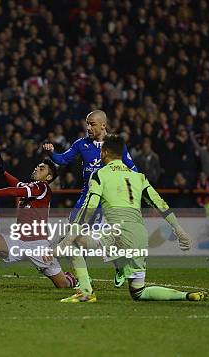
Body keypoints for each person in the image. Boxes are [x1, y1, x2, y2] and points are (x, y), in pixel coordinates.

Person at [58, 135, 206, 303]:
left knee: (74, 243)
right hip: (139, 235)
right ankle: (185, 295)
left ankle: (85, 292)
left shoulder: (100, 175)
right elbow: (159, 203)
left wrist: (69, 238)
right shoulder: (139, 177)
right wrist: (179, 229)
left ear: (104, 152)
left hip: (117, 232)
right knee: (138, 291)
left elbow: (89, 207)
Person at [42, 110, 137, 288]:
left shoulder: (116, 145)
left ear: (103, 125)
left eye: (92, 124)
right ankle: (84, 280)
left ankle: (120, 265)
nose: (88, 127)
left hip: (107, 202)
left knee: (105, 241)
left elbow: (134, 170)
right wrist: (52, 153)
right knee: (74, 236)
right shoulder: (81, 144)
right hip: (86, 198)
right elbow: (63, 160)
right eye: (87, 123)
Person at [0, 159, 77, 291]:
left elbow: (15, 191)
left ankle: (70, 279)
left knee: (62, 285)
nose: (36, 169)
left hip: (37, 244)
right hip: (18, 241)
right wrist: (4, 173)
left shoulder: (42, 187)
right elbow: (17, 185)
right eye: (37, 166)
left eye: (41, 169)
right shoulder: (31, 187)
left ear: (49, 177)